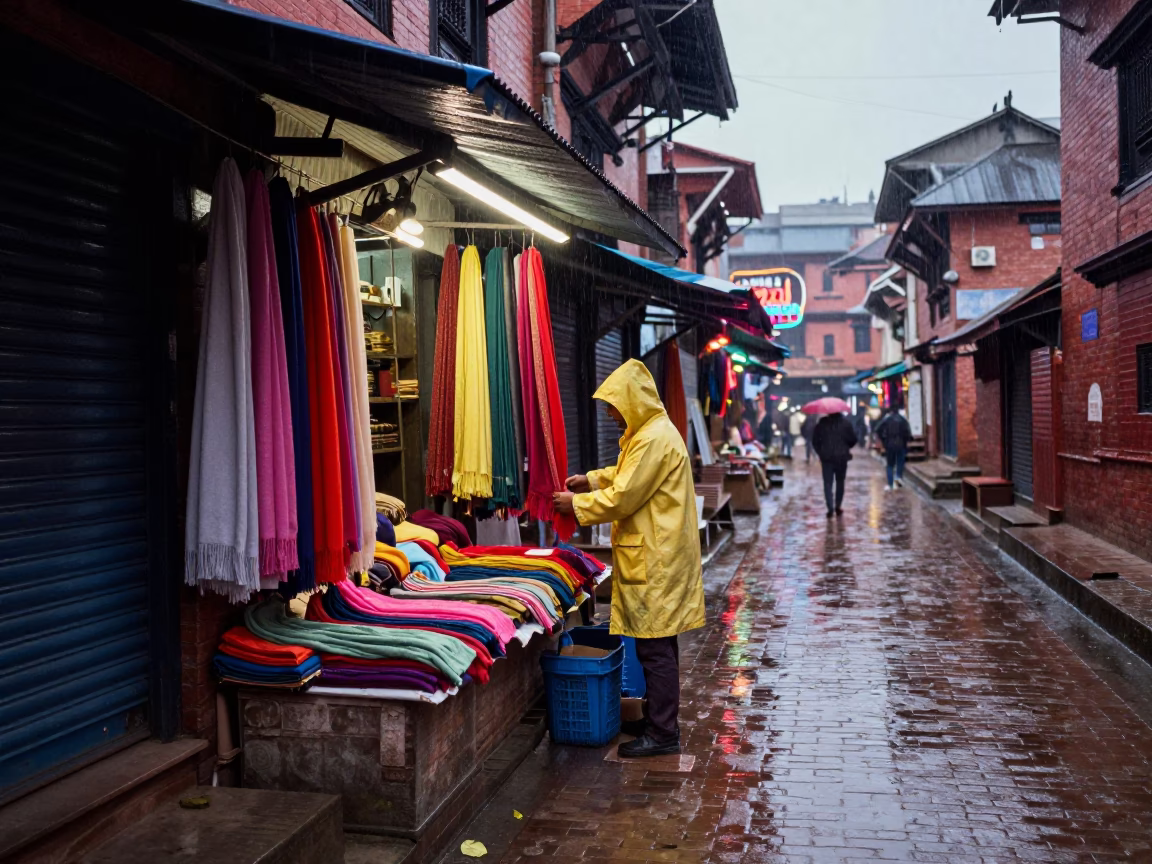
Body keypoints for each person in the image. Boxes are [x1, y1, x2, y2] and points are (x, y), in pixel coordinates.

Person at [553, 360, 705, 758]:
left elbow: (624, 495)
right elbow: (627, 474)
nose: (609, 414)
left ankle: (662, 732)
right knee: (660, 643)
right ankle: (660, 719)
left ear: (632, 401)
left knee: (654, 647)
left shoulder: (653, 438)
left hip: (658, 559)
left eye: (613, 406)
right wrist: (591, 479)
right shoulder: (650, 433)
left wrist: (576, 504)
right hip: (659, 555)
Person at [812, 411, 858, 517]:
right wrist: (845, 447)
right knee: (840, 482)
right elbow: (853, 440)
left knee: (827, 483)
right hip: (841, 458)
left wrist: (821, 452)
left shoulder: (822, 424)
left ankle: (830, 507)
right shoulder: (846, 423)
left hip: (826, 458)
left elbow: (815, 441)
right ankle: (838, 505)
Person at [874, 408, 913, 490]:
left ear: (891, 411)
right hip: (901, 444)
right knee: (900, 463)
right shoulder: (903, 420)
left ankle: (890, 484)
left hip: (890, 445)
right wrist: (905, 441)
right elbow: (908, 432)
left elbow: (877, 429)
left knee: (890, 465)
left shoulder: (887, 419)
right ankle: (898, 479)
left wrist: (884, 440)